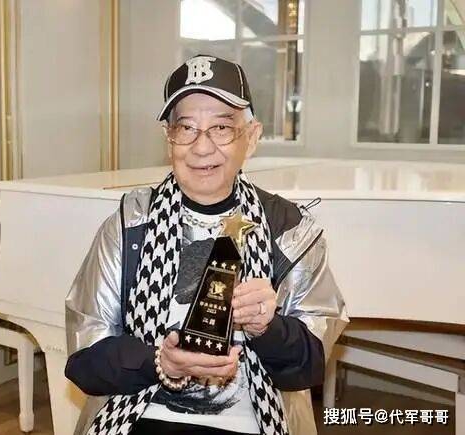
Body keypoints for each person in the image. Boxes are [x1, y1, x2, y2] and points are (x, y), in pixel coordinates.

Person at [64, 55, 348, 435]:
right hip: (139, 415)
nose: (202, 147)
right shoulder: (130, 225)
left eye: (221, 128)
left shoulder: (289, 231)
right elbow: (84, 361)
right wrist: (159, 362)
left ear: (252, 137)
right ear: (168, 138)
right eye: (186, 128)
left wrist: (269, 328)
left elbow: (310, 364)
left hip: (252, 423)